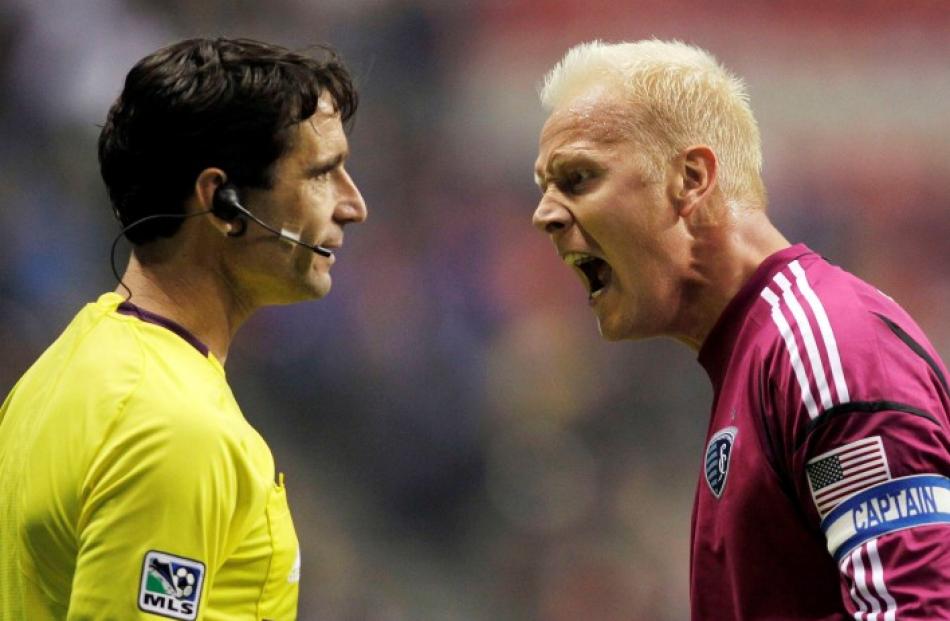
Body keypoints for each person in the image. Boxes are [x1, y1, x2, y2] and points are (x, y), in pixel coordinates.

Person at [532, 39, 950, 619]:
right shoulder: (757, 358)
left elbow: (916, 610)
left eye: (577, 178)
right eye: (544, 188)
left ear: (692, 178)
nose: (544, 214)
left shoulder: (823, 345)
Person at [0, 37, 366, 620]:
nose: (354, 205)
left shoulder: (63, 366)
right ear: (222, 203)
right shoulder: (176, 430)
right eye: (322, 174)